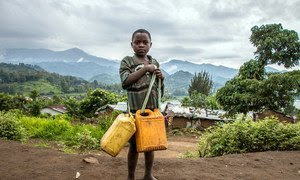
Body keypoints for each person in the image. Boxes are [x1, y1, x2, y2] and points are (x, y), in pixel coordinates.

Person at [119, 29, 164, 180]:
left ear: (150, 44)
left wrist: (161, 77)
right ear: (131, 44)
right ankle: (130, 176)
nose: (141, 45)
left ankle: (148, 175)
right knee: (134, 146)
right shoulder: (127, 61)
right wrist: (145, 68)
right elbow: (125, 82)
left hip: (152, 111)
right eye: (137, 42)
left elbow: (158, 88)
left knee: (150, 145)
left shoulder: (155, 62)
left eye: (145, 42)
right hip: (134, 111)